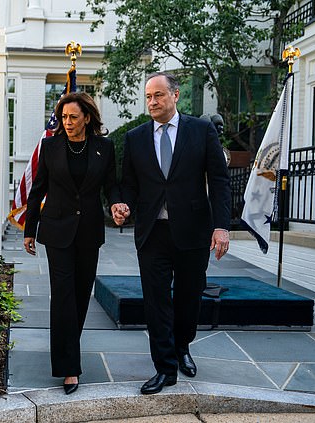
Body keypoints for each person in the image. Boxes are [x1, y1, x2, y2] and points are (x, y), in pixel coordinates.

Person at [113, 72, 231, 395]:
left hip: (193, 231)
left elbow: (219, 181)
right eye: (148, 97)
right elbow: (130, 185)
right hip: (152, 233)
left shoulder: (201, 130)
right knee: (156, 301)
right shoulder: (135, 138)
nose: (152, 102)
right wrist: (123, 204)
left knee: (189, 298)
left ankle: (182, 346)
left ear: (175, 95)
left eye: (158, 96)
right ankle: (165, 367)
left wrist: (221, 225)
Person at [23, 92, 125, 395]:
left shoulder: (104, 148)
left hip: (89, 231)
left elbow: (111, 186)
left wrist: (118, 204)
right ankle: (69, 367)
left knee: (81, 296)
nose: (67, 122)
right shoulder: (51, 146)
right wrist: (30, 228)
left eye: (73, 117)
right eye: (64, 117)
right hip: (57, 230)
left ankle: (69, 347)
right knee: (64, 295)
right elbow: (38, 187)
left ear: (87, 118)